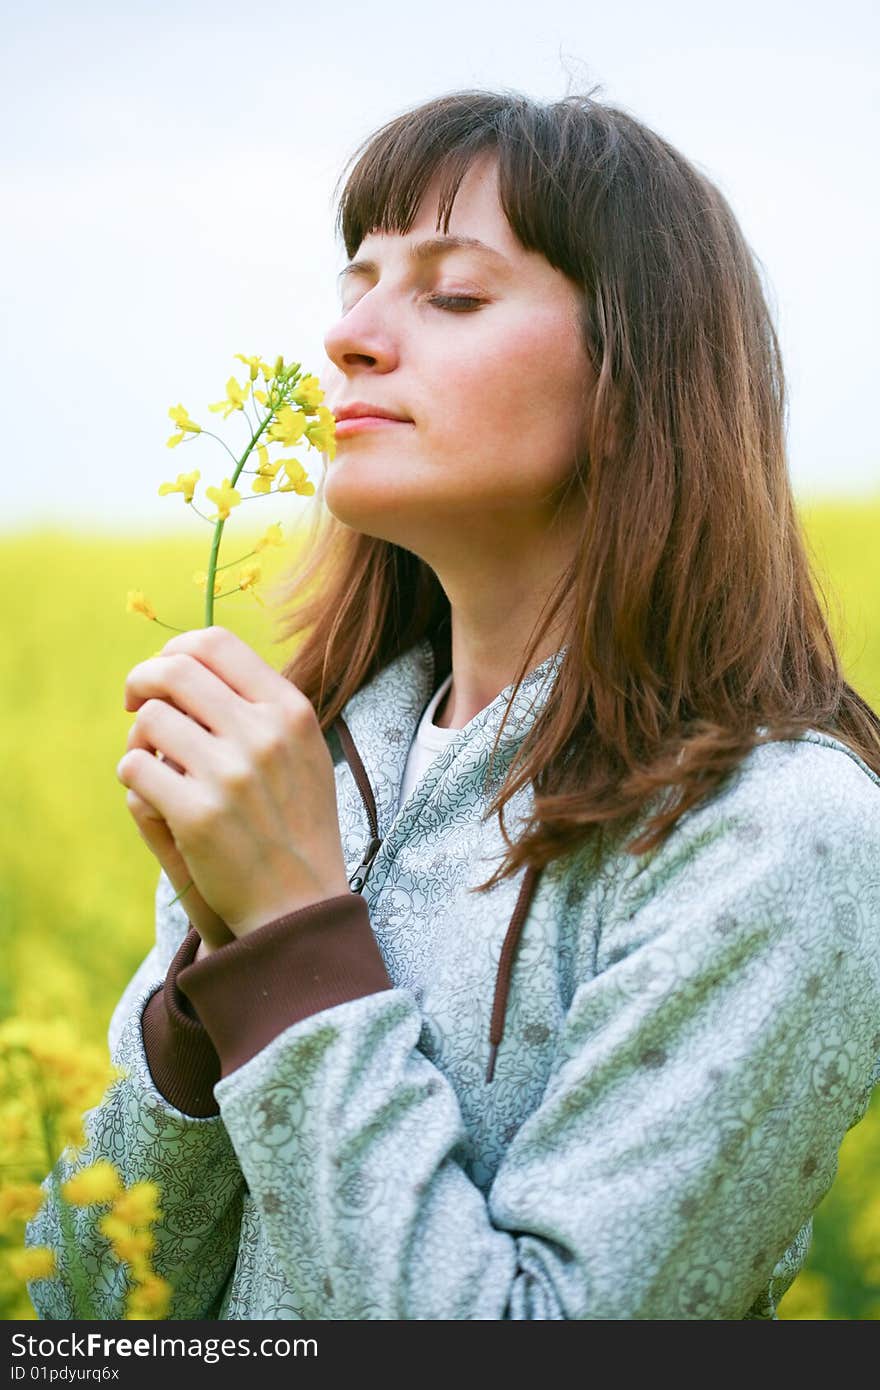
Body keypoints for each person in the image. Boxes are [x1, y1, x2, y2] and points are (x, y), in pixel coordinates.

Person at [26, 87, 880, 1321]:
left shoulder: (777, 834)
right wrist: (200, 1012)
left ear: (636, 370)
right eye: (354, 288)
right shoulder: (306, 765)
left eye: (453, 293)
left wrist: (290, 945)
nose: (351, 339)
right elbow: (84, 1309)